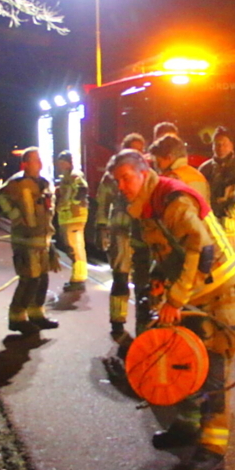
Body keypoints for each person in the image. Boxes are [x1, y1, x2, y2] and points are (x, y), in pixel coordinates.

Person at [109, 149, 235, 470]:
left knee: (213, 372)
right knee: (182, 361)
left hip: (220, 288)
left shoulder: (172, 201)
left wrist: (175, 299)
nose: (122, 186)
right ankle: (187, 425)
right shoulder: (150, 204)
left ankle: (213, 449)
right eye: (118, 181)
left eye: (126, 178)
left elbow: (202, 249)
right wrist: (159, 279)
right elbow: (170, 251)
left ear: (144, 173)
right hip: (196, 290)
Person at [0, 147, 61, 335]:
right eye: (36, 160)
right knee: (29, 280)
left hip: (43, 241)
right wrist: (15, 215)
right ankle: (17, 318)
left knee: (42, 280)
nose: (40, 163)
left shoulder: (45, 183)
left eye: (41, 160)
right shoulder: (16, 183)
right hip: (25, 241)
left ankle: (37, 315)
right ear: (25, 164)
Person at [200, 126, 235, 330]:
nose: (220, 147)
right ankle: (220, 318)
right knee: (215, 280)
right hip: (214, 236)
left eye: (224, 143)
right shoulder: (205, 169)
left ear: (231, 145)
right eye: (217, 144)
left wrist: (228, 211)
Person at [95, 133, 152, 338]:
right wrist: (101, 228)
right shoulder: (113, 176)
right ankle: (117, 322)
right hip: (120, 233)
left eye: (140, 148)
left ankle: (143, 323)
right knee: (120, 277)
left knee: (144, 282)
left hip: (143, 234)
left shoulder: (146, 173)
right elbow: (103, 202)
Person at [55, 150, 90, 293]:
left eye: (62, 162)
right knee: (73, 246)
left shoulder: (75, 175)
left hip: (74, 217)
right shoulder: (67, 176)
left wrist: (72, 203)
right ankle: (78, 276)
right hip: (69, 217)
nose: (60, 165)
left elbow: (82, 189)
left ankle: (79, 278)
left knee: (75, 247)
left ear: (68, 162)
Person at [148, 134, 211, 202]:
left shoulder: (171, 178)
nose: (156, 166)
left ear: (169, 157)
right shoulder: (198, 175)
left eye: (158, 162)